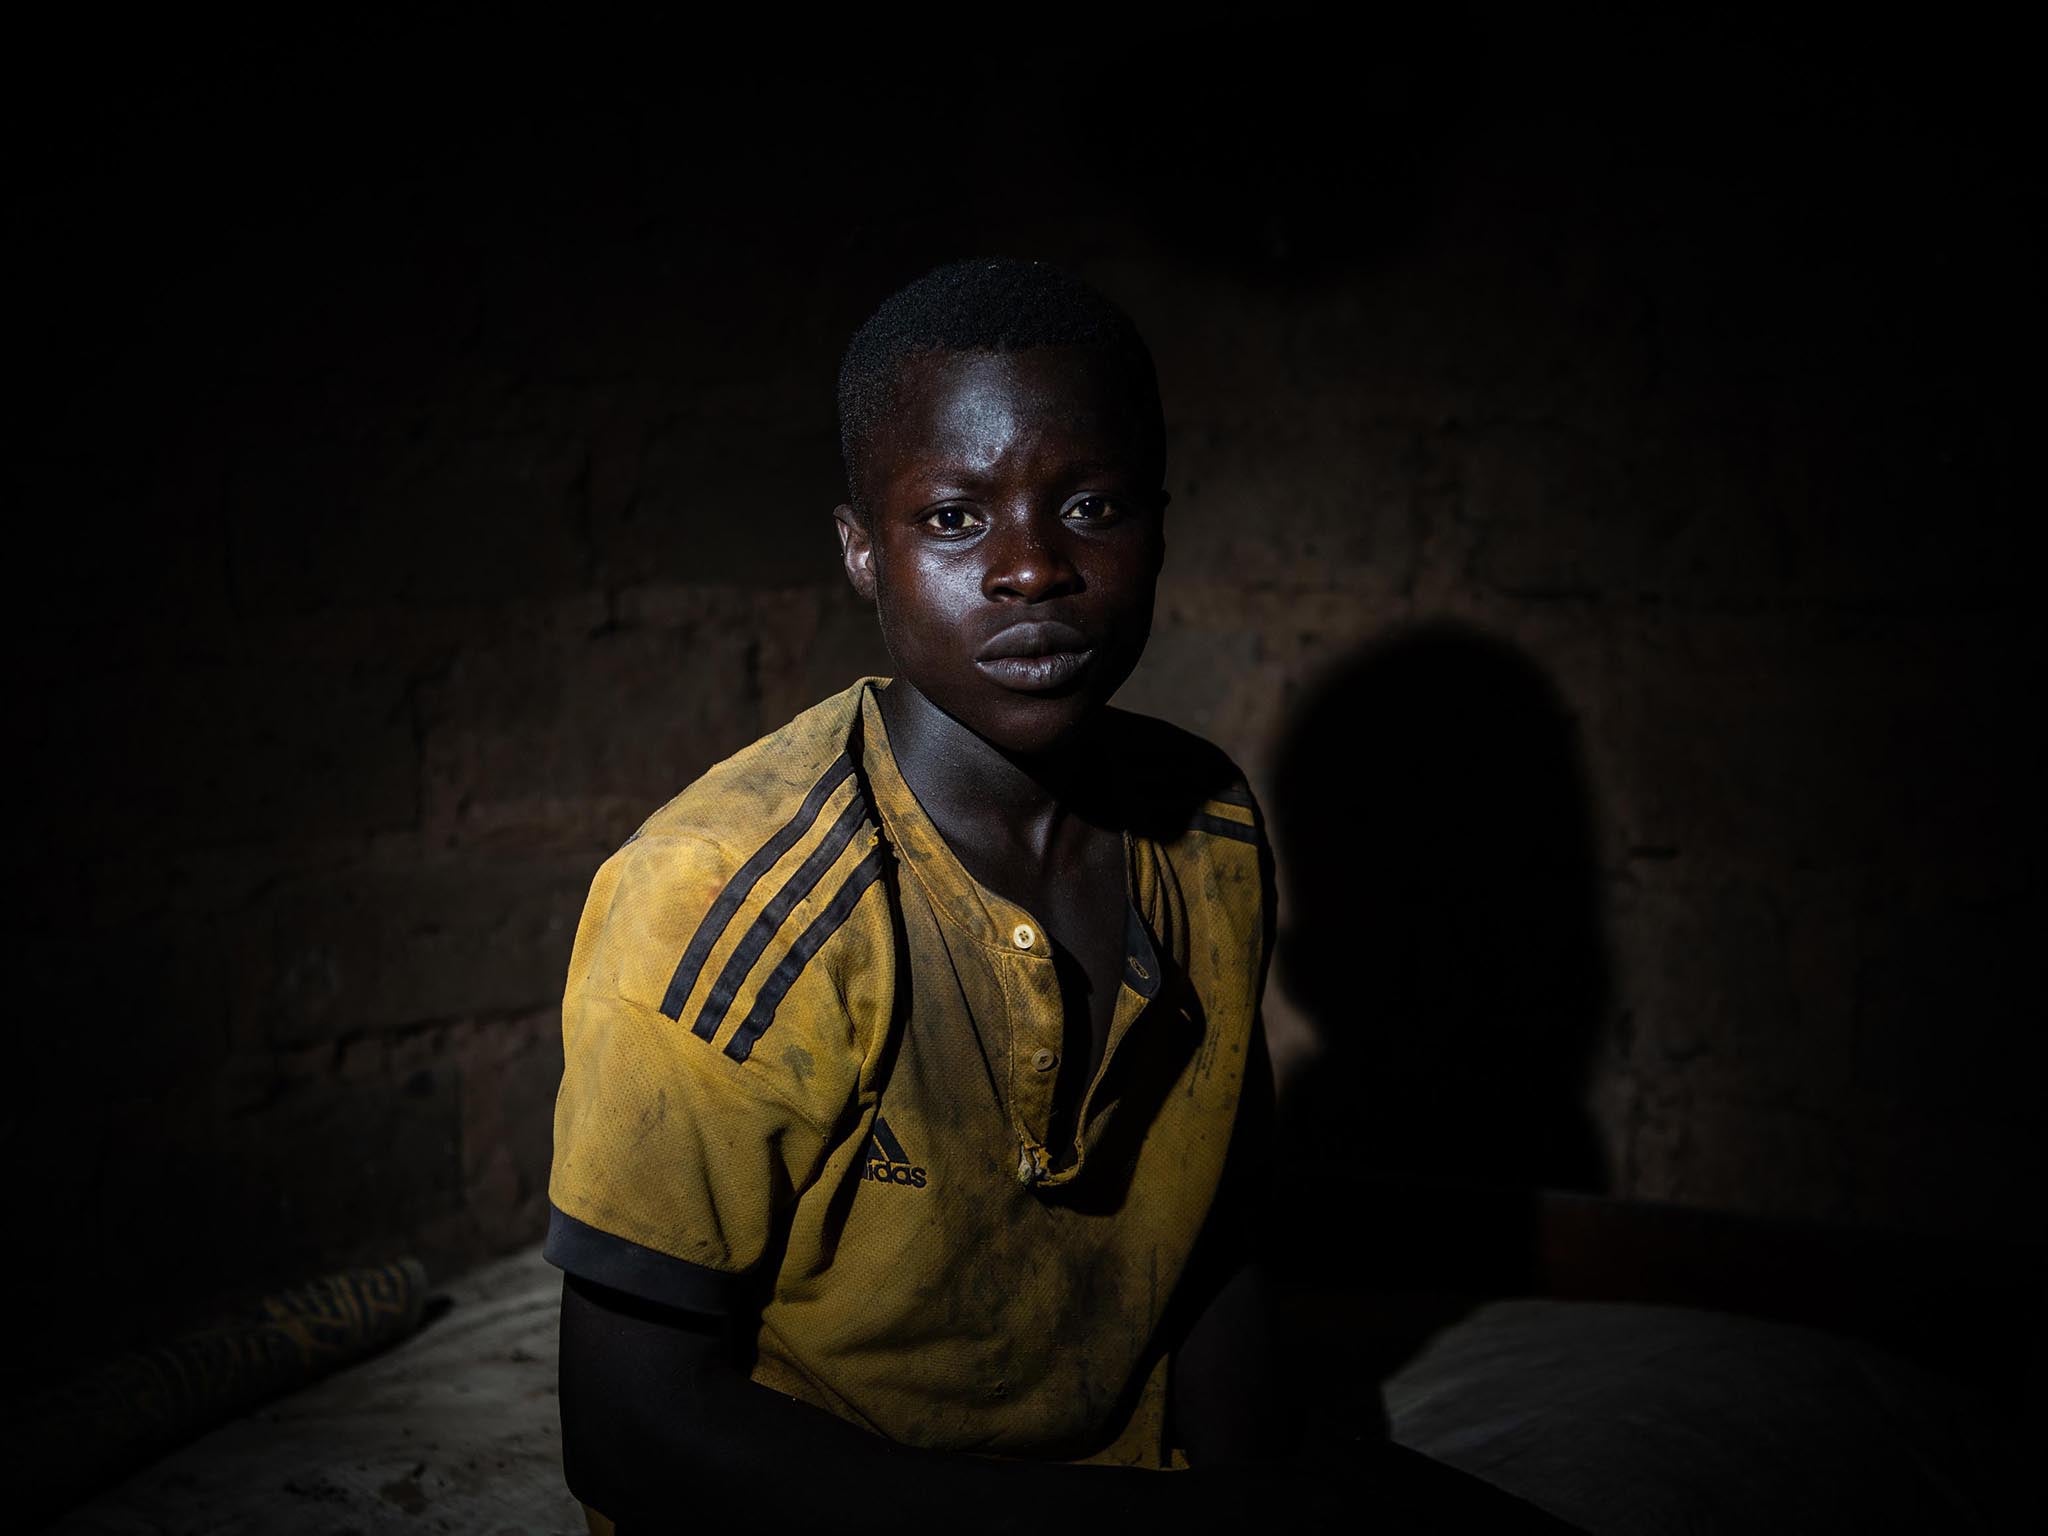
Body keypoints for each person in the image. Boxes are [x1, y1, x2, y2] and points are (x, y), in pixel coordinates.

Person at [544, 259, 1571, 1535]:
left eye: (1090, 505)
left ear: (1157, 525)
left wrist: (1255, 1500)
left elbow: (1209, 1241)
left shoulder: (1203, 831)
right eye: (955, 520)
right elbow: (629, 1431)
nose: (1033, 570)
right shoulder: (716, 900)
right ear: (861, 550)